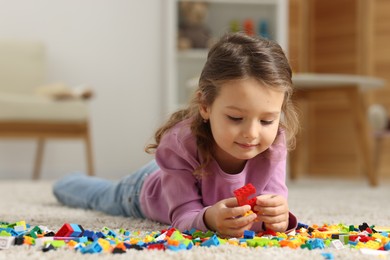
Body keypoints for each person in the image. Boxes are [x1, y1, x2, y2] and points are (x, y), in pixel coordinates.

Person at [53, 32, 299, 238]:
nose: (252, 133)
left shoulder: (274, 143)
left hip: (177, 170)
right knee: (100, 197)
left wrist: (280, 217)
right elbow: (182, 217)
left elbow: (276, 204)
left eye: (267, 120)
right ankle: (64, 182)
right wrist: (209, 219)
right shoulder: (179, 143)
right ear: (205, 105)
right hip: (145, 190)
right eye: (235, 118)